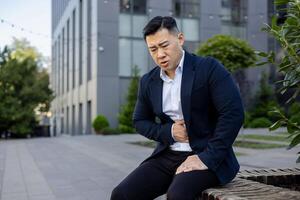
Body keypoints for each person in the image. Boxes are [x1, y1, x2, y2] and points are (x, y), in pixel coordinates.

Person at [111, 16, 244, 200]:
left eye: (164, 45)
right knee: (122, 194)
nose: (160, 55)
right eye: (153, 49)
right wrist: (170, 131)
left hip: (207, 154)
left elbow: (233, 113)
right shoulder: (149, 81)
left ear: (180, 39)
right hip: (168, 155)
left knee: (177, 195)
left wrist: (205, 158)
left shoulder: (209, 68)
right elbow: (139, 121)